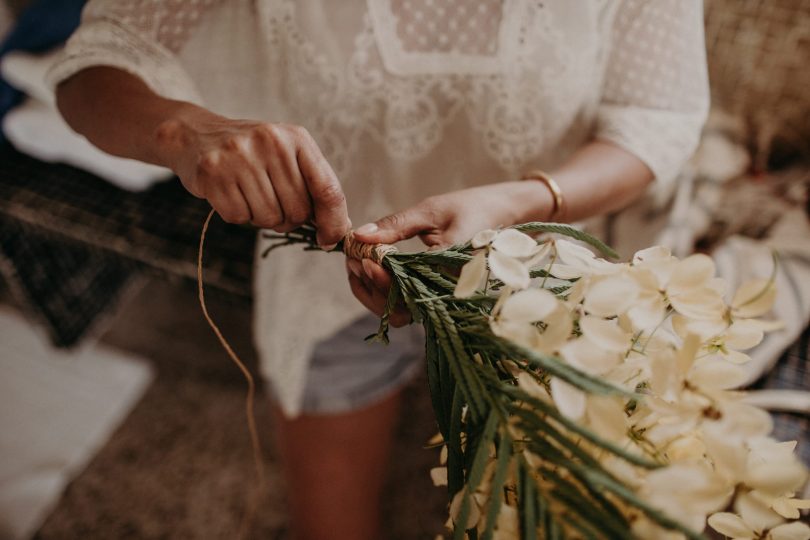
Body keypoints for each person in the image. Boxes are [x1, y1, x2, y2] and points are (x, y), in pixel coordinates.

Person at [52, 1, 709, 538]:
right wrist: (185, 133)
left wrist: (521, 202)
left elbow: (658, 118)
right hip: (326, 284)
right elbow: (91, 69)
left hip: (540, 277)